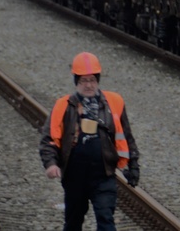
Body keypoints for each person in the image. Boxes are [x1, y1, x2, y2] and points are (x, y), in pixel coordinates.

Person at [40, 52, 140, 231]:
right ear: (76, 81)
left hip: (103, 175)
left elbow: (126, 136)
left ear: (98, 80)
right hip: (74, 177)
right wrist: (51, 163)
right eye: (84, 81)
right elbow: (49, 139)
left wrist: (133, 165)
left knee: (106, 220)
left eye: (92, 80)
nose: (88, 85)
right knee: (73, 223)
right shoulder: (64, 106)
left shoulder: (114, 103)